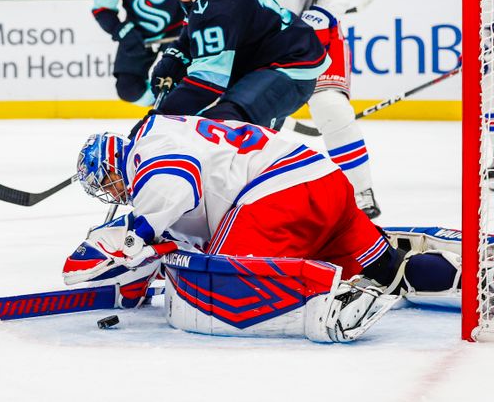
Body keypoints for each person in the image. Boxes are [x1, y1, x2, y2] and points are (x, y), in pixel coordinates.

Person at [65, 121, 463, 341]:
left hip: (277, 197)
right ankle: (461, 277)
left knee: (216, 279)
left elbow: (178, 182)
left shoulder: (144, 152)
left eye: (105, 182)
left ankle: (334, 299)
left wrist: (137, 231)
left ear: (114, 164)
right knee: (388, 269)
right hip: (325, 183)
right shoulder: (169, 130)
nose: (111, 192)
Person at [213, 0, 380, 217]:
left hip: (315, 45)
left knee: (331, 109)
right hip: (266, 59)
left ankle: (361, 191)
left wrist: (317, 17)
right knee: (250, 130)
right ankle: (250, 202)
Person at [151, 0, 327, 139]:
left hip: (290, 67)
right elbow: (193, 29)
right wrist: (175, 57)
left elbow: (207, 83)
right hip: (268, 62)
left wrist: (159, 119)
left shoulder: (217, 5)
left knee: (219, 127)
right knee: (238, 144)